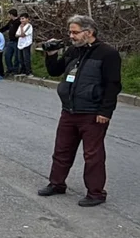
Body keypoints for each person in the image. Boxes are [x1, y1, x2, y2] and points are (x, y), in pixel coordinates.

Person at [37, 15, 122, 207]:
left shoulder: (108, 54)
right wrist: (51, 55)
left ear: (89, 32)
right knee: (62, 150)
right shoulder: (73, 51)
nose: (71, 36)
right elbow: (55, 71)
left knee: (93, 155)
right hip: (69, 110)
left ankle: (96, 193)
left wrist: (105, 112)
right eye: (70, 32)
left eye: (75, 32)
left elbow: (113, 85)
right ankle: (57, 183)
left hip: (92, 113)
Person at [0, 9, 21, 75]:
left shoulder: (18, 22)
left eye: (9, 15)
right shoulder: (11, 21)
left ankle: (16, 69)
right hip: (10, 41)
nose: (8, 16)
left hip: (17, 41)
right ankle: (10, 68)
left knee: (16, 57)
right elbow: (6, 27)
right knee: (7, 55)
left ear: (11, 15)